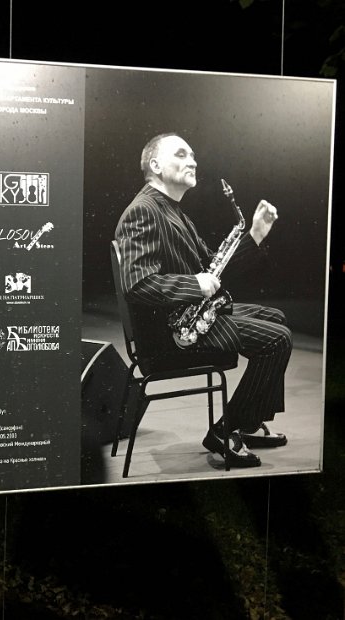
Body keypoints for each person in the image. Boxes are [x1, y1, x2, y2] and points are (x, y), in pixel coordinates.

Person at [114, 132, 292, 468]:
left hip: (190, 317)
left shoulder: (172, 211)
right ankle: (228, 430)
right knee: (277, 340)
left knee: (276, 318)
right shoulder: (144, 211)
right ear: (155, 165)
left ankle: (247, 420)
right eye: (181, 155)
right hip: (170, 336)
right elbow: (137, 284)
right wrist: (195, 284)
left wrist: (253, 235)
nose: (192, 161)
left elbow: (215, 266)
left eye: (193, 155)